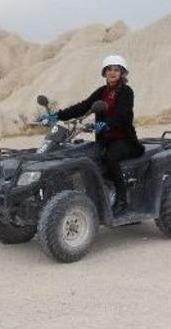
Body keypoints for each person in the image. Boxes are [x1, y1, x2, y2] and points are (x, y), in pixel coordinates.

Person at [41, 55, 143, 213]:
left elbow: (122, 115)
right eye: (109, 69)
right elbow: (83, 106)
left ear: (122, 72)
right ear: (105, 72)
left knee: (110, 157)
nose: (113, 73)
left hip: (124, 140)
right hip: (104, 140)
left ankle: (122, 199)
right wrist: (57, 116)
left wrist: (105, 124)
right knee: (81, 154)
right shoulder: (102, 92)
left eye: (116, 70)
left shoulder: (126, 92)